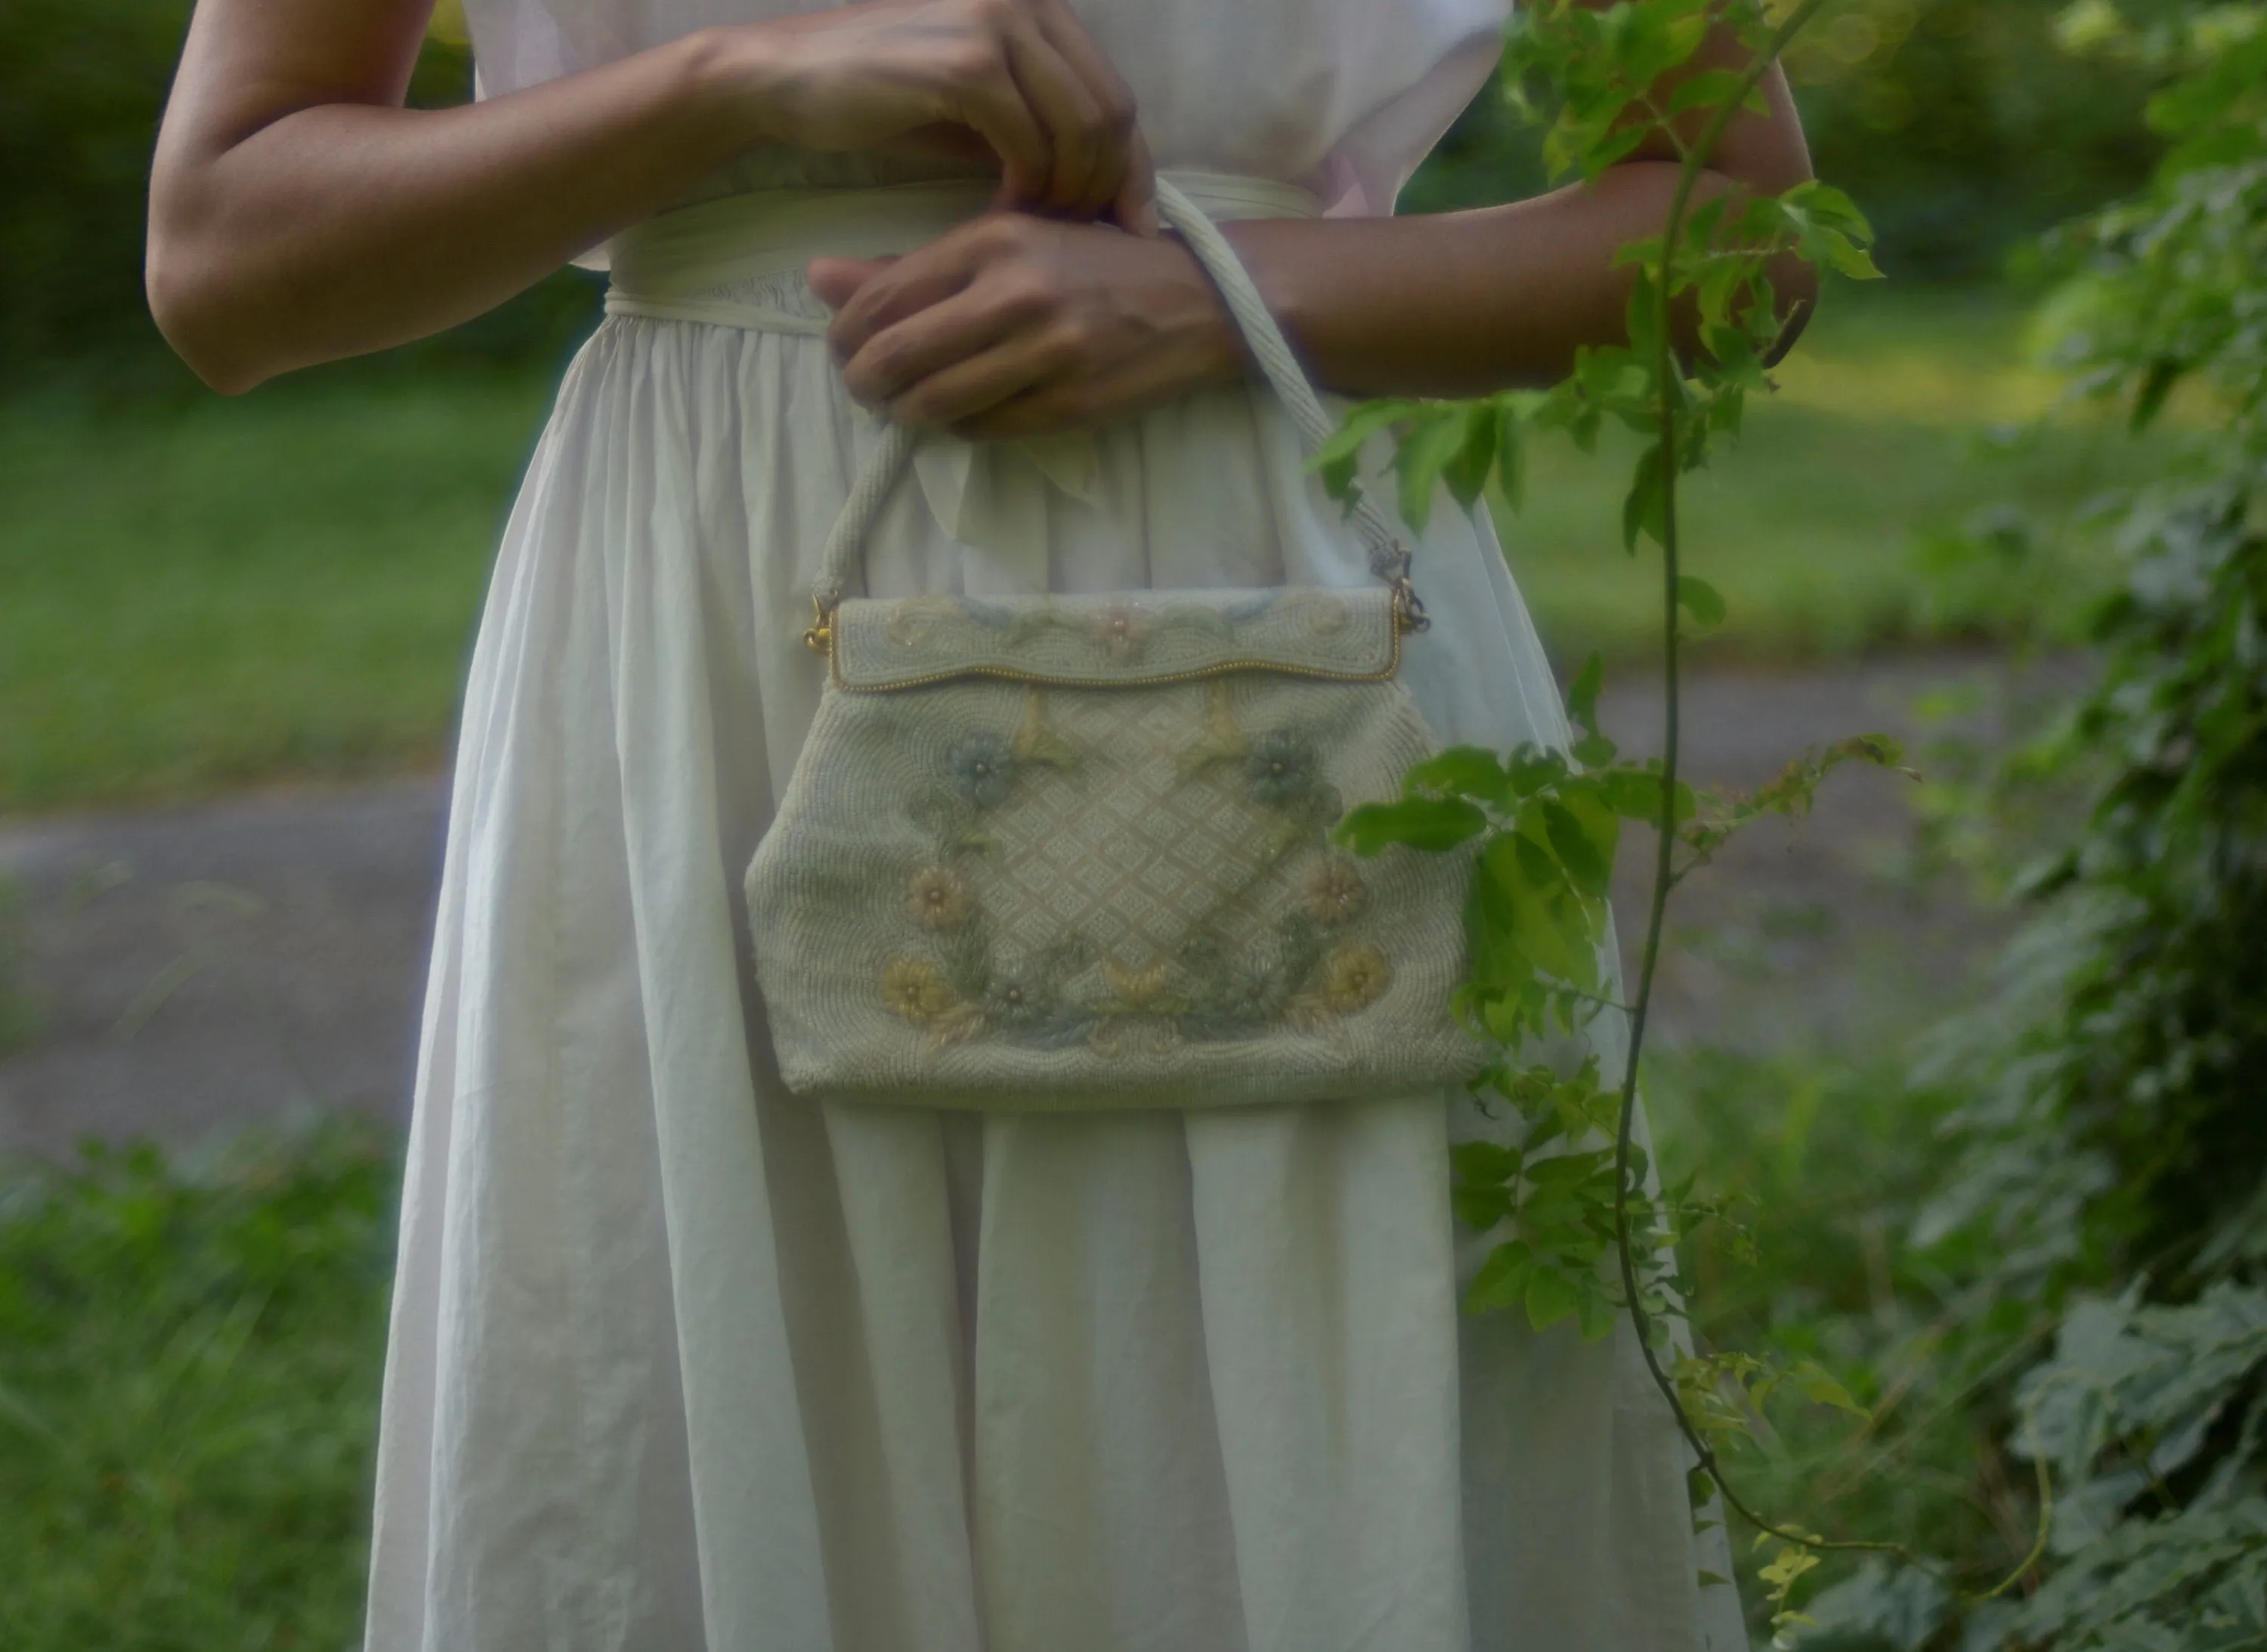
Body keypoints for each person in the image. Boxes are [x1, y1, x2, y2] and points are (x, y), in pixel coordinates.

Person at [148, 2, 1815, 1647]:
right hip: (718, 649)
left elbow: (1747, 237)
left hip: (1282, 633)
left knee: (1302, 1397)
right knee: (733, 1367)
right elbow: (228, 258)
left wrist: (1221, 300)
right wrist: (736, 80)